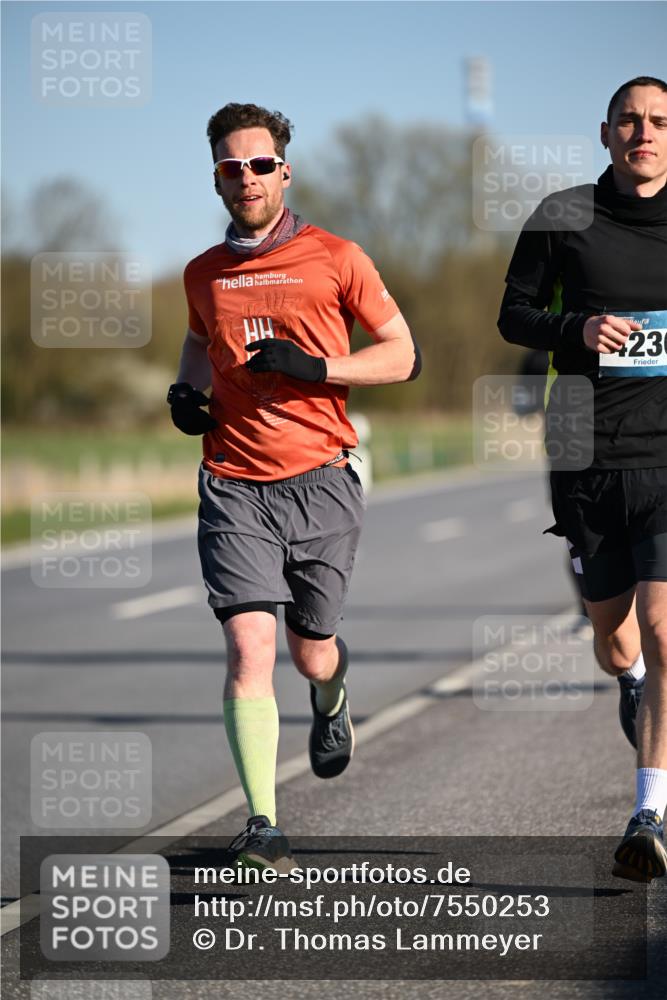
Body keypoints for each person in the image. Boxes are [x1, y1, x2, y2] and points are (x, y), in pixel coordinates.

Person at [168, 103, 419, 870]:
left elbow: (402, 354)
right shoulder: (202, 272)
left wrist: (319, 368)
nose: (244, 177)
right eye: (229, 167)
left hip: (320, 481)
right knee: (249, 648)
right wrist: (186, 391)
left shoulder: (337, 257)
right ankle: (264, 822)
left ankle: (331, 692)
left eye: (257, 163)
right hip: (232, 483)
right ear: (216, 177)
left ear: (285, 170)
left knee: (311, 654)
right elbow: (195, 336)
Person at [498, 77, 667, 883]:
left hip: (666, 451)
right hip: (586, 452)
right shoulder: (561, 215)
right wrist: (578, 327)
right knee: (615, 638)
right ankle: (627, 679)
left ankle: (648, 810)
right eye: (630, 121)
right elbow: (513, 315)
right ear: (605, 133)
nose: (644, 133)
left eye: (658, 122)